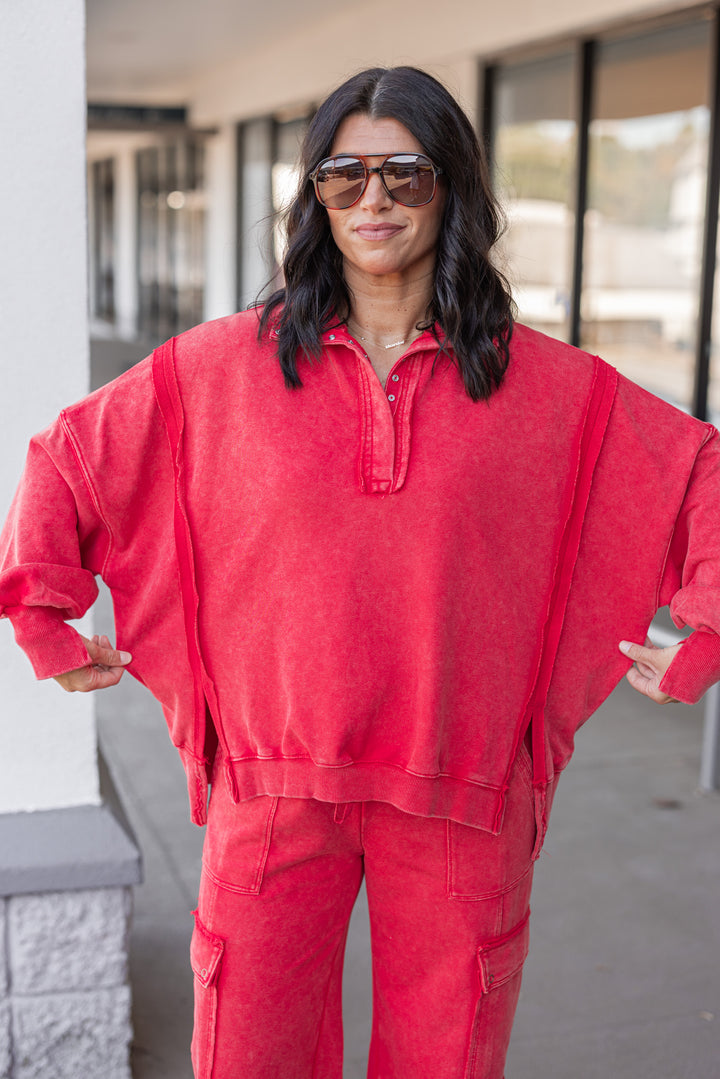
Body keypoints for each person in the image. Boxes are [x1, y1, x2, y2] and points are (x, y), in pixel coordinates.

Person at [1, 65, 720, 1079]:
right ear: (316, 198)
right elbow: (67, 460)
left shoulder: (552, 388)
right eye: (343, 177)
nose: (372, 199)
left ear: (452, 187)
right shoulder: (217, 371)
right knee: (249, 1058)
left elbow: (700, 470)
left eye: (403, 173)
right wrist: (45, 620)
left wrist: (706, 625)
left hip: (463, 798)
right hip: (270, 791)